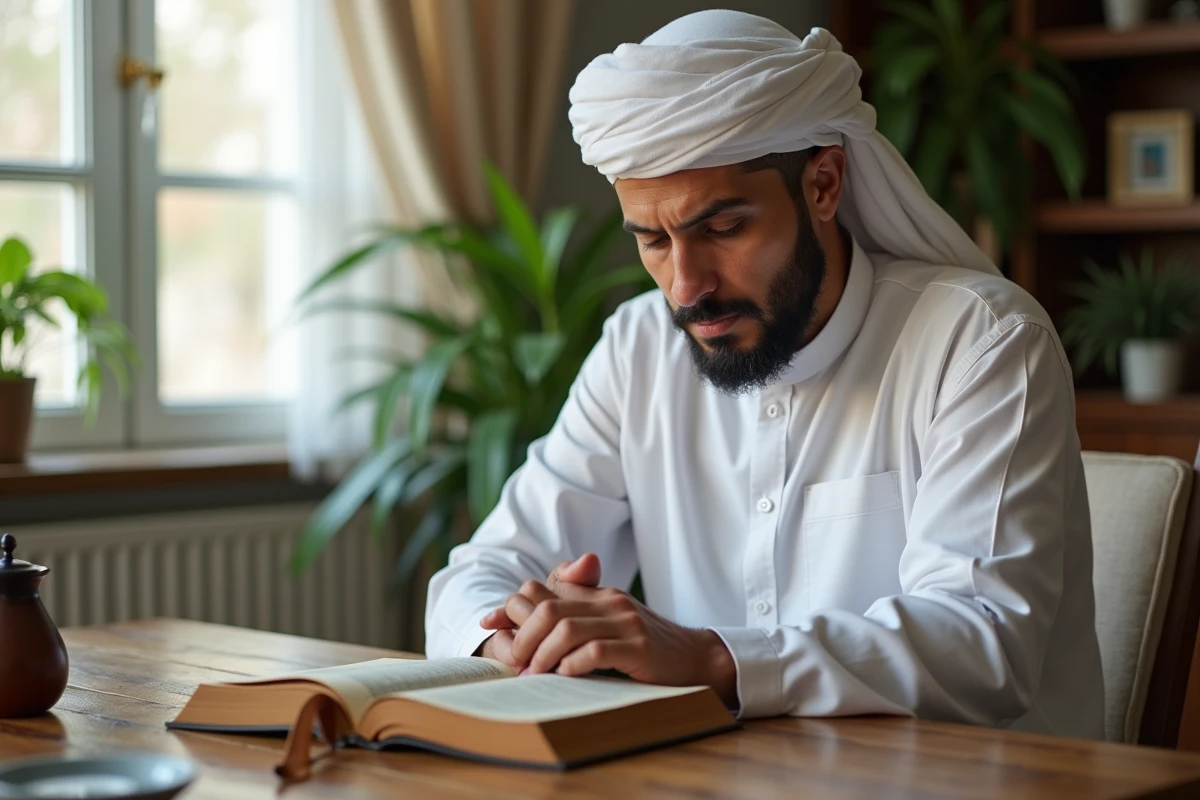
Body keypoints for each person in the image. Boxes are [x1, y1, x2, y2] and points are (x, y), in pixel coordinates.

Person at [424, 10, 1104, 738]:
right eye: (652, 239)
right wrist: (518, 639)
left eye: (721, 229)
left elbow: (982, 643)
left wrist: (715, 659)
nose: (685, 287)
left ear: (823, 184)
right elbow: (482, 572)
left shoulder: (980, 343)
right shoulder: (638, 350)